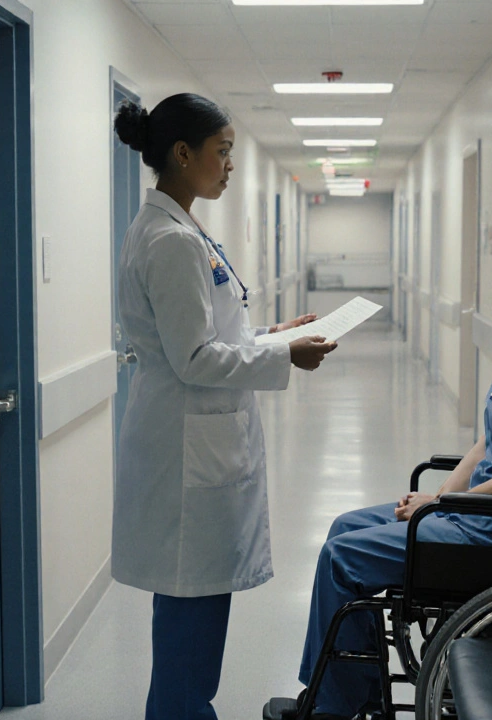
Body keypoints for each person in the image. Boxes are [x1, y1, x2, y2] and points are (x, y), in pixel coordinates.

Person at [267, 204, 492, 720]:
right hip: (482, 515)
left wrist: (440, 502)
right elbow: (489, 445)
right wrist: (439, 503)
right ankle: (358, 694)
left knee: (342, 559)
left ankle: (334, 707)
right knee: (343, 527)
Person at [111, 93, 337, 720]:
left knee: (189, 636)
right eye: (223, 150)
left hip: (192, 450)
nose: (230, 164)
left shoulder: (178, 228)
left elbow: (211, 337)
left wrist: (274, 337)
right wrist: (285, 357)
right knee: (189, 647)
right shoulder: (170, 240)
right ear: (184, 154)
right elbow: (195, 360)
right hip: (187, 461)